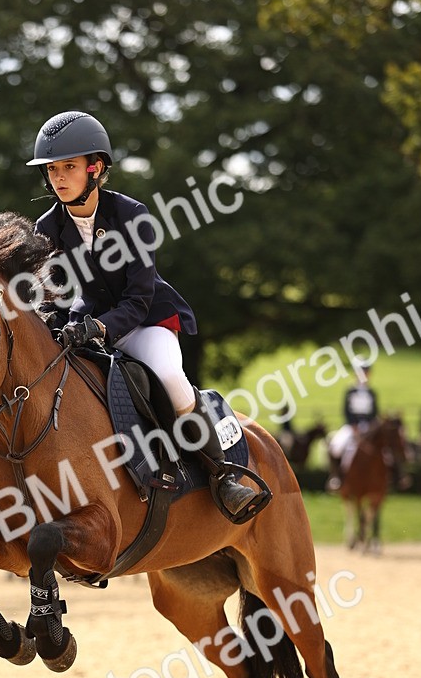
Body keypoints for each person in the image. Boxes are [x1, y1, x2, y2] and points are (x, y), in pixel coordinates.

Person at [27, 109, 266, 523]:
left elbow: (138, 298)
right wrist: (53, 319)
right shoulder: (46, 227)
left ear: (95, 168)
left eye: (69, 167)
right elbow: (50, 294)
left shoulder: (131, 215)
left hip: (144, 320)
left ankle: (221, 476)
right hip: (87, 321)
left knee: (171, 379)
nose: (58, 177)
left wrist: (98, 327)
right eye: (52, 169)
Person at [327, 363, 378, 491]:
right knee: (336, 446)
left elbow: (374, 412)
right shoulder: (350, 390)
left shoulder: (372, 392)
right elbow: (346, 410)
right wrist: (354, 426)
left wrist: (370, 426)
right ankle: (336, 477)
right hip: (352, 426)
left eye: (366, 372)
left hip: (368, 427)